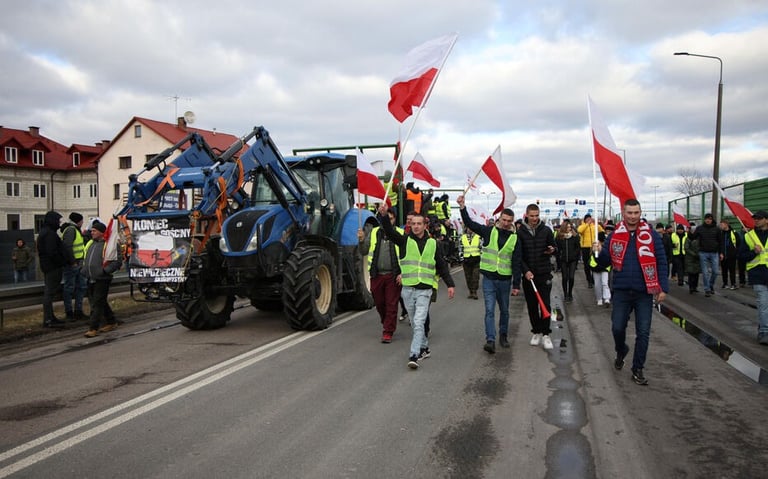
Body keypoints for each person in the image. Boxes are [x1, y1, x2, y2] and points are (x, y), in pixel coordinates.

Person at [593, 199, 669, 386]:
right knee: (617, 328)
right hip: (621, 291)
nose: (633, 216)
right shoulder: (615, 236)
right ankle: (621, 350)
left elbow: (661, 262)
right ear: (624, 213)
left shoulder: (651, 236)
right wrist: (598, 251)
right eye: (629, 213)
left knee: (643, 332)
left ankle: (638, 368)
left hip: (644, 292)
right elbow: (604, 263)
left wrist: (663, 288)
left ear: (640, 213)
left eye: (636, 213)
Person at [377, 205, 455, 369]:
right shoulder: (404, 240)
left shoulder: (433, 244)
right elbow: (390, 232)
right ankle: (425, 347)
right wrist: (383, 216)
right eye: (414, 224)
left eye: (419, 223)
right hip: (407, 290)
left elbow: (441, 265)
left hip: (424, 289)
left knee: (419, 321)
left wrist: (450, 284)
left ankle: (414, 354)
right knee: (414, 323)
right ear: (410, 225)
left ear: (425, 226)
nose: (416, 226)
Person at [457, 195, 521, 353]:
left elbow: (517, 262)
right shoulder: (488, 231)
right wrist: (462, 207)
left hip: (505, 280)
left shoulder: (515, 239)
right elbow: (470, 223)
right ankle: (490, 340)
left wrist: (516, 284)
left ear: (512, 221)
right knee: (490, 310)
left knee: (505, 311)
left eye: (509, 221)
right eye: (504, 220)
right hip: (489, 279)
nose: (506, 223)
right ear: (499, 219)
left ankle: (503, 336)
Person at [517, 203, 558, 350]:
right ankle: (536, 331)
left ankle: (546, 334)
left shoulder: (546, 230)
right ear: (527, 215)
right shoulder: (520, 232)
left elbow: (554, 248)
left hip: (544, 273)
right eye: (532, 216)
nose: (535, 218)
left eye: (537, 216)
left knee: (545, 304)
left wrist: (552, 249)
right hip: (529, 276)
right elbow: (518, 256)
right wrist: (525, 271)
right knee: (532, 306)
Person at [359, 208, 403, 343]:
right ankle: (386, 321)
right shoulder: (373, 232)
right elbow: (364, 250)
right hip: (376, 275)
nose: (387, 221)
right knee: (379, 303)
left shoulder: (400, 233)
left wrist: (403, 273)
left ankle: (388, 331)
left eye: (390, 219)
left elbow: (406, 255)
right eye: (385, 218)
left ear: (394, 219)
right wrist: (361, 240)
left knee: (391, 304)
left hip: (393, 276)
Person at [82, 221, 122, 337]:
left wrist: (105, 271)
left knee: (97, 303)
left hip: (103, 278)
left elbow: (117, 261)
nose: (92, 232)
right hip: (90, 277)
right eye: (92, 230)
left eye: (94, 231)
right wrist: (83, 270)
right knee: (100, 301)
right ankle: (111, 321)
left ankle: (93, 327)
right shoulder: (90, 243)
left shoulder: (110, 245)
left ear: (101, 232)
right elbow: (85, 258)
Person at [738, 210, 768, 345]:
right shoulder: (748, 236)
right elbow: (742, 256)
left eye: (759, 218)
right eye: (755, 218)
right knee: (763, 304)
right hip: (758, 275)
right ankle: (764, 332)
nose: (756, 220)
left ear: (766, 220)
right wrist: (753, 252)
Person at [36, 211, 68, 328]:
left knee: (50, 292)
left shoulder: (45, 232)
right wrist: (62, 261)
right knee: (49, 293)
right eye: (58, 221)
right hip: (52, 267)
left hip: (48, 266)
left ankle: (50, 317)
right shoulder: (49, 234)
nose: (59, 224)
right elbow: (52, 252)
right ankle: (48, 319)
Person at [61, 212, 89, 320]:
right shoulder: (71, 230)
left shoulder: (74, 230)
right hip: (72, 264)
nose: (82, 223)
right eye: (81, 221)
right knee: (70, 288)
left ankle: (78, 311)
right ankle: (69, 312)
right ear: (78, 221)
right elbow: (67, 247)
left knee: (81, 287)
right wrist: (72, 261)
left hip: (78, 263)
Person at [695, 213, 722, 297]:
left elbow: (720, 241)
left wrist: (721, 252)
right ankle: (707, 289)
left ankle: (711, 284)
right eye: (706, 219)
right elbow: (693, 237)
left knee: (715, 271)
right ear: (704, 219)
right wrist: (689, 231)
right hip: (703, 252)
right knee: (705, 272)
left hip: (714, 252)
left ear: (712, 220)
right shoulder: (700, 228)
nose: (708, 220)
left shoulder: (717, 229)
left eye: (709, 219)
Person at [555, 219, 580, 302]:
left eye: (570, 227)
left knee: (571, 277)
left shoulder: (575, 236)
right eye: (568, 227)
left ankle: (570, 293)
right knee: (565, 277)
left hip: (572, 259)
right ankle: (565, 294)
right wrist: (559, 255)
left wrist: (575, 255)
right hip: (563, 260)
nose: (569, 228)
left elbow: (577, 247)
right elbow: (557, 248)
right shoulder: (559, 237)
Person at [577, 214, 603, 289]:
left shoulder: (594, 226)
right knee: (587, 264)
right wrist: (587, 224)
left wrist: (596, 223)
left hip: (594, 247)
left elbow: (601, 230)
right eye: (587, 219)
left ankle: (594, 278)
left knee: (594, 263)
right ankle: (589, 280)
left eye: (590, 218)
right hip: (585, 247)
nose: (589, 220)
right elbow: (580, 230)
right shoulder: (583, 226)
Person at [460, 226, 482, 299]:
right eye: (469, 228)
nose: (470, 230)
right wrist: (461, 259)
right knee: (468, 277)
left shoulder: (478, 237)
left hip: (476, 259)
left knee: (475, 277)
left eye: (471, 228)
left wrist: (481, 258)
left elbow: (481, 248)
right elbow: (460, 249)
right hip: (466, 260)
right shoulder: (462, 238)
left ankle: (474, 292)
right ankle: (470, 291)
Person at [591, 232, 612, 306]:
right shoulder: (594, 246)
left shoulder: (606, 246)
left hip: (605, 268)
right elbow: (592, 258)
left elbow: (608, 256)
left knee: (605, 283)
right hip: (596, 268)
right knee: (597, 284)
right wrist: (594, 251)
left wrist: (601, 250)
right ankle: (599, 298)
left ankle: (607, 298)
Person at [719, 219, 740, 289]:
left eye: (722, 225)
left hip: (732, 255)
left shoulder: (734, 233)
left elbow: (738, 243)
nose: (721, 226)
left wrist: (736, 252)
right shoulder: (721, 234)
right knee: (724, 270)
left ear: (726, 224)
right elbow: (719, 244)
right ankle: (725, 283)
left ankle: (733, 284)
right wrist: (720, 253)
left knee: (732, 270)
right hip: (723, 255)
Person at [684, 227, 701, 294]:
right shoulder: (688, 238)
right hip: (690, 258)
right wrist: (694, 254)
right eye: (692, 231)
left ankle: (695, 287)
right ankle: (691, 287)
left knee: (696, 273)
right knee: (691, 273)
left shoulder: (698, 238)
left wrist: (698, 254)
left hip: (697, 258)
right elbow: (686, 248)